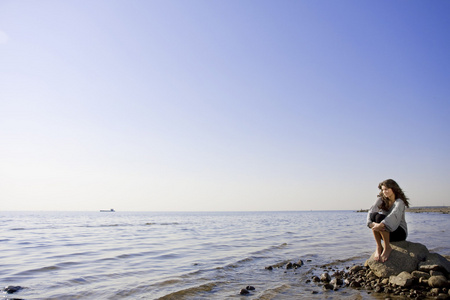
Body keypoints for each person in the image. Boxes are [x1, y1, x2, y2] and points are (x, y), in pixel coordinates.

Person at [367, 179, 410, 262]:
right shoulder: (381, 199)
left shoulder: (399, 202)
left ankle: (387, 248)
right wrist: (370, 223)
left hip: (399, 232)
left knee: (379, 218)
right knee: (374, 216)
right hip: (385, 232)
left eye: (386, 189)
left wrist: (382, 224)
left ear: (393, 189)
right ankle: (379, 246)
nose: (384, 192)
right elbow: (372, 210)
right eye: (383, 190)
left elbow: (393, 215)